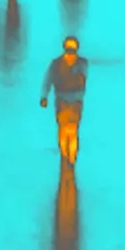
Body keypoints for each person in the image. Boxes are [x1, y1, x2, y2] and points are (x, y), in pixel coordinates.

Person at [39, 36, 89, 165]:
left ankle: (71, 158)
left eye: (73, 49)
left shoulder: (82, 63)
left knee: (72, 130)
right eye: (68, 49)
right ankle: (65, 156)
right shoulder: (56, 64)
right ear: (64, 48)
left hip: (76, 100)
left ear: (77, 49)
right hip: (61, 99)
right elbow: (47, 80)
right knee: (62, 129)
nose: (70, 52)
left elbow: (84, 79)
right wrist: (44, 96)